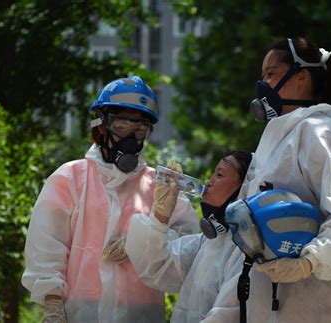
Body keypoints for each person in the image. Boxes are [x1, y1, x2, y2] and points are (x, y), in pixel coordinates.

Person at [21, 76, 199, 323]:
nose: (130, 137)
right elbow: (47, 245)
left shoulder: (161, 188)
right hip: (79, 312)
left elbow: (189, 248)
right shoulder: (70, 178)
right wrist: (52, 304)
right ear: (101, 125)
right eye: (122, 125)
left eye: (139, 129)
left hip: (142, 314)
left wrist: (143, 241)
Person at [240, 37, 331, 322]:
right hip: (276, 302)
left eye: (271, 74)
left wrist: (309, 262)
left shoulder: (327, 133)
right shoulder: (285, 137)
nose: (263, 84)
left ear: (302, 76)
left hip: (317, 302)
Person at [125, 150, 253, 323]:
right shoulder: (207, 242)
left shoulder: (245, 250)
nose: (209, 182)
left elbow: (227, 315)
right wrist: (161, 215)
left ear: (244, 188)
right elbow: (157, 267)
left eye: (220, 175)